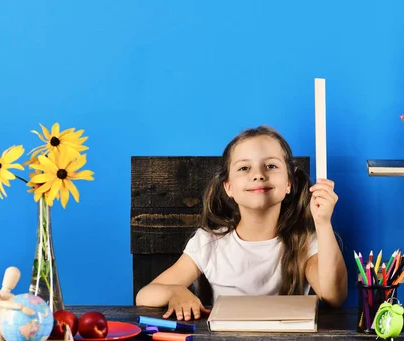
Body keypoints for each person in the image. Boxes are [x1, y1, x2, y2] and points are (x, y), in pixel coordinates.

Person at [135, 125, 347, 320]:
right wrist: (176, 291)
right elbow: (145, 296)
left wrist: (323, 224)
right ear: (228, 187)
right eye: (244, 168)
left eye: (271, 165)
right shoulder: (209, 242)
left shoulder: (305, 242)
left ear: (289, 183)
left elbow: (334, 296)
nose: (258, 175)